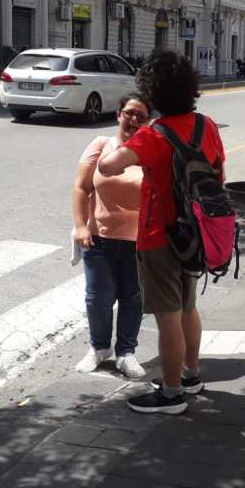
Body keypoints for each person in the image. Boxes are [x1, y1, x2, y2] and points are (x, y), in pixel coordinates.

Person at [98, 50, 225, 415]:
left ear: (153, 95)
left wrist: (132, 138)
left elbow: (107, 166)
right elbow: (218, 170)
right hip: (198, 230)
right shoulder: (206, 125)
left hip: (160, 236)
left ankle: (171, 395)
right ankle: (190, 374)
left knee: (167, 315)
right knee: (188, 306)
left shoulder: (153, 135)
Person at [72, 94, 150, 378]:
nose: (133, 120)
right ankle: (99, 348)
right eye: (129, 113)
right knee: (97, 298)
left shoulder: (150, 151)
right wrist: (81, 226)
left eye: (141, 116)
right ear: (118, 114)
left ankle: (126, 352)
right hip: (99, 238)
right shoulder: (101, 145)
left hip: (139, 242)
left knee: (133, 298)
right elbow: (81, 188)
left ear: (148, 122)